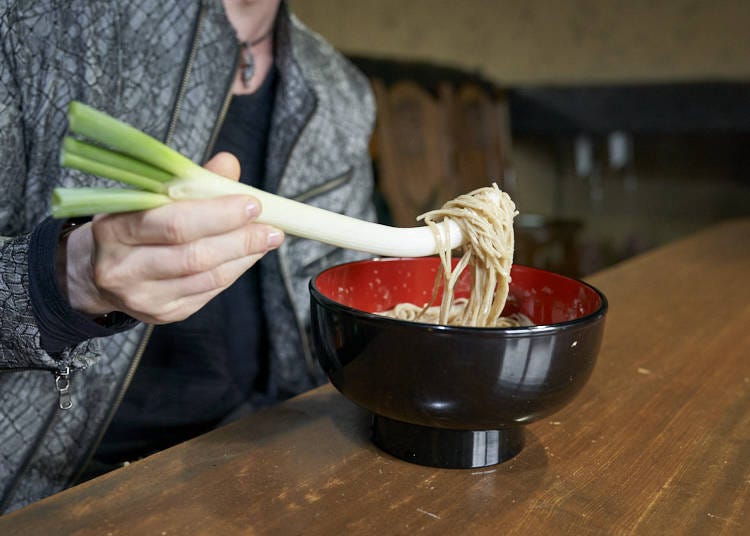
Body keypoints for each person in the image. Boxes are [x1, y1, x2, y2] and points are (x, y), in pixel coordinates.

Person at [0, 0, 376, 513]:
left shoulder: (340, 90)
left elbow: (347, 299)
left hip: (261, 467)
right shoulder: (32, 21)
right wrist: (66, 280)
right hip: (60, 494)